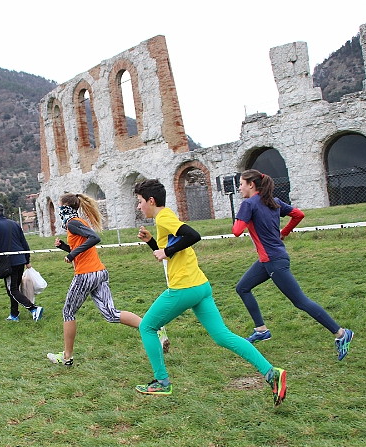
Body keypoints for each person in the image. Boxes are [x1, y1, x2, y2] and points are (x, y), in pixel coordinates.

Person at [132, 179, 286, 405]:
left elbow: (193, 236)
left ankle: (161, 382)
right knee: (222, 336)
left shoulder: (163, 217)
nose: (139, 206)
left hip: (184, 287)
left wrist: (166, 251)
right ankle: (272, 373)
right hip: (200, 286)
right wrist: (153, 243)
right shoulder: (165, 218)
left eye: (140, 201)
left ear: (151, 200)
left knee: (147, 326)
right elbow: (171, 252)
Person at [232, 169, 354, 360]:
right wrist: (284, 233)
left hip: (274, 262)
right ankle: (261, 330)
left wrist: (243, 214)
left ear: (251, 185)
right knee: (243, 287)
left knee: (300, 301)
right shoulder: (273, 201)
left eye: (241, 184)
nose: (239, 188)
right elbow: (298, 214)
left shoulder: (249, 204)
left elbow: (237, 231)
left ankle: (341, 333)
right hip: (269, 260)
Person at [46, 193, 169, 366]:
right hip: (99, 273)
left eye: (59, 207)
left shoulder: (73, 223)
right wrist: (65, 248)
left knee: (68, 312)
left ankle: (67, 357)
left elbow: (94, 238)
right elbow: (83, 249)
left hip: (86, 275)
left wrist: (72, 254)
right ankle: (153, 328)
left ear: (65, 207)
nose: (58, 210)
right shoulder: (77, 223)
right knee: (111, 314)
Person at [0, 203, 43, 322]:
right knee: (14, 289)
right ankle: (14, 314)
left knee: (12, 290)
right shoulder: (14, 224)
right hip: (20, 261)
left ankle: (34, 309)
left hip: (9, 264)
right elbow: (24, 243)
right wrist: (27, 260)